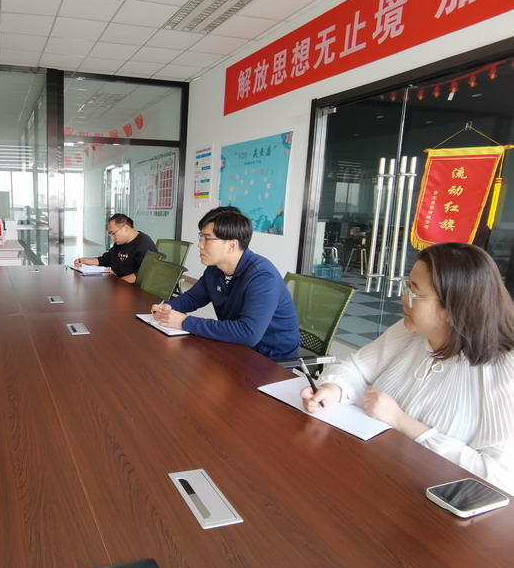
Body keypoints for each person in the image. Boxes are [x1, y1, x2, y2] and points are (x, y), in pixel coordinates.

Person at [301, 243, 514, 494]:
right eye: (407, 286)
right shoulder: (409, 332)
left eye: (415, 292)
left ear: (452, 306)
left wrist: (402, 421)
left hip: (428, 501)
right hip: (373, 475)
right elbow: (356, 369)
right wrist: (333, 389)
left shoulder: (502, 370)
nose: (403, 297)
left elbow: (499, 478)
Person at [150, 206, 299, 359]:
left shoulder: (262, 277)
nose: (200, 244)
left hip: (269, 360)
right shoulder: (215, 269)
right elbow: (193, 298)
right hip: (234, 346)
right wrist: (168, 307)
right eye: (201, 237)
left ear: (231, 245)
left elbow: (248, 333)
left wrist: (185, 321)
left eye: (207, 239)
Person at [73, 214, 157, 283]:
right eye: (110, 234)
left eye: (113, 233)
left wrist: (117, 281)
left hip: (133, 289)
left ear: (126, 228)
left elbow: (142, 275)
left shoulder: (144, 244)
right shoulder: (120, 242)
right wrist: (83, 260)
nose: (112, 238)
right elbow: (106, 259)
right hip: (118, 284)